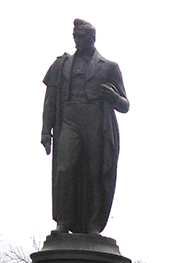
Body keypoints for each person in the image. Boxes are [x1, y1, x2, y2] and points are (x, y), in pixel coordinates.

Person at [41, 18, 128, 235]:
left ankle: (92, 223)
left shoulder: (109, 67)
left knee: (94, 173)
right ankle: (64, 221)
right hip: (69, 121)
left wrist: (114, 97)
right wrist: (45, 130)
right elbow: (50, 99)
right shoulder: (61, 64)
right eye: (75, 37)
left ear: (92, 38)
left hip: (96, 125)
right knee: (64, 169)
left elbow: (125, 105)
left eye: (80, 37)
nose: (77, 40)